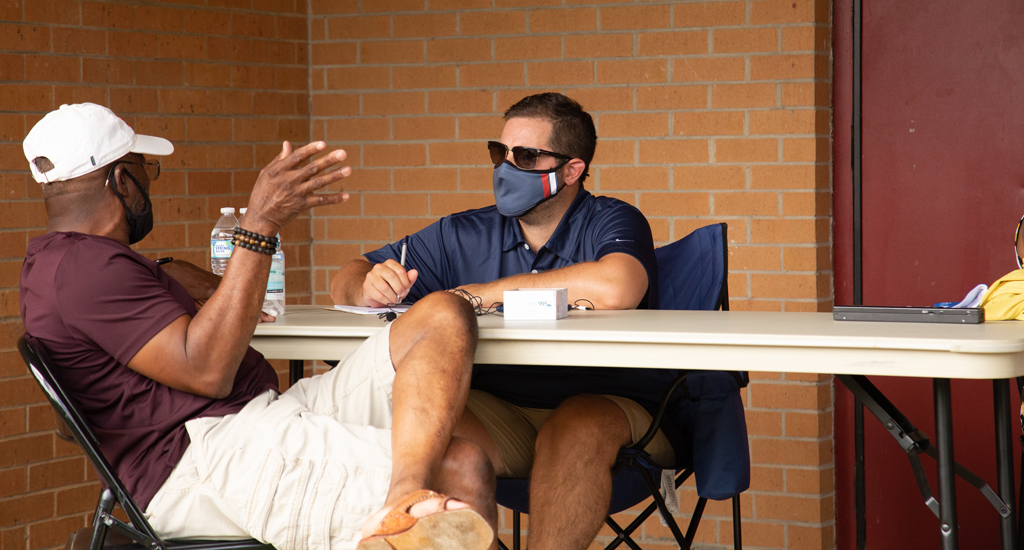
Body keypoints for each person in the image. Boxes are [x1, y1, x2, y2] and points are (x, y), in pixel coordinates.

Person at [19, 103, 496, 550]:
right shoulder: (85, 269)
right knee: (460, 467)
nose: (151, 182)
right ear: (123, 181)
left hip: (253, 417)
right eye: (147, 169)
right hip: (203, 455)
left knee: (441, 313)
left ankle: (403, 493)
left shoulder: (71, 261)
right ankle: (406, 501)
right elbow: (207, 370)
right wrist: (260, 223)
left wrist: (171, 274)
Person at [329, 92, 677, 550]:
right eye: (501, 152)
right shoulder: (461, 232)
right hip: (501, 408)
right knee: (435, 441)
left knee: (576, 426)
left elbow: (618, 285)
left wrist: (479, 295)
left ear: (571, 171)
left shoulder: (611, 219)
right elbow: (346, 278)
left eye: (527, 156)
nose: (506, 167)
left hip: (611, 408)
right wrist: (370, 284)